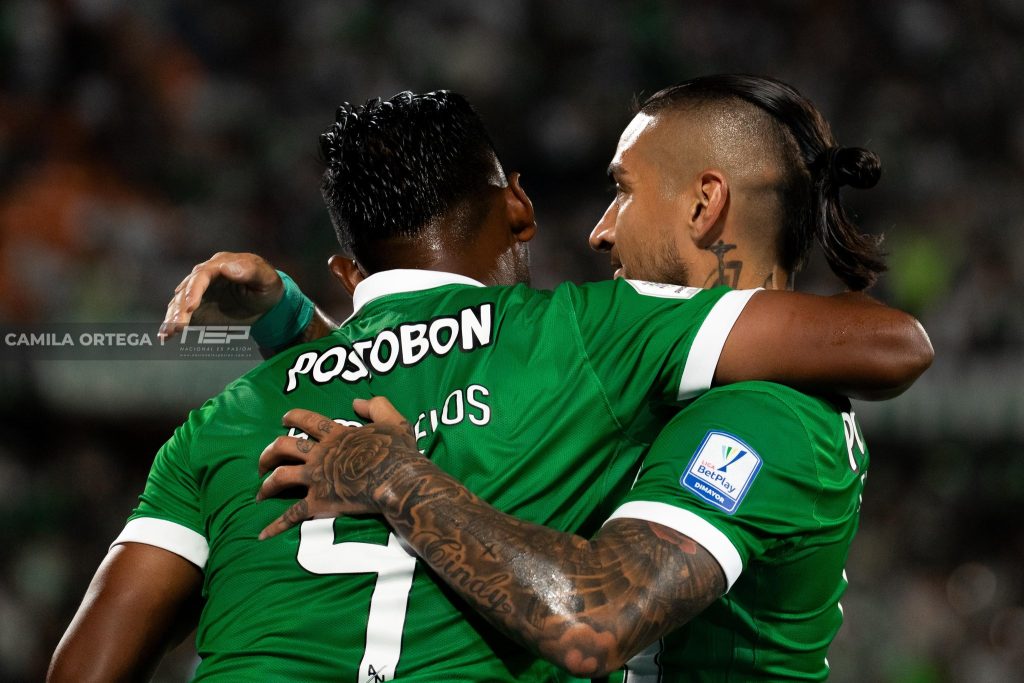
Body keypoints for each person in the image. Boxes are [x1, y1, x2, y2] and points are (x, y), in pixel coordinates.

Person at [50, 86, 931, 682]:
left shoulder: (766, 411)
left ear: (704, 205)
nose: (598, 230)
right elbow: (446, 391)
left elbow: (592, 618)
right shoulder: (586, 350)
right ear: (512, 204)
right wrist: (299, 330)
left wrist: (393, 474)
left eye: (621, 191)